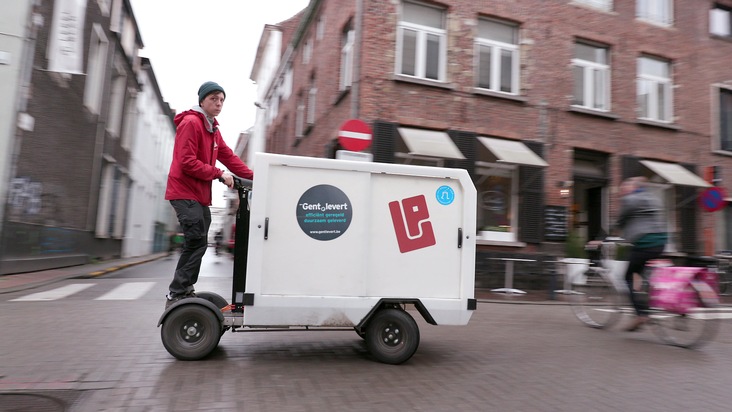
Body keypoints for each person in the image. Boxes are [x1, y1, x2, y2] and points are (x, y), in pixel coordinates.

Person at [164, 81, 254, 308]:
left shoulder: (213, 129)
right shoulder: (191, 123)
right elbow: (186, 162)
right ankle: (177, 293)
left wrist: (256, 177)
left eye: (222, 99)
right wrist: (218, 173)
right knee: (195, 240)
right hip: (184, 192)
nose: (219, 103)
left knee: (200, 242)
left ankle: (185, 289)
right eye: (214, 98)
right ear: (202, 100)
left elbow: (229, 157)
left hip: (198, 196)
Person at [614, 176, 668, 331]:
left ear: (634, 187)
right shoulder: (653, 198)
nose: (623, 191)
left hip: (645, 244)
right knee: (640, 275)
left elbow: (621, 221)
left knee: (627, 277)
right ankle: (645, 304)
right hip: (660, 243)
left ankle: (641, 314)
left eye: (625, 187)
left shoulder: (630, 199)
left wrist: (606, 237)